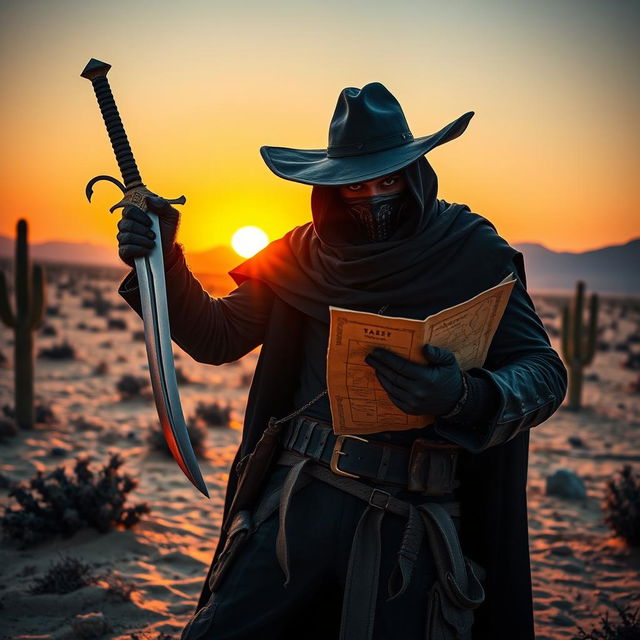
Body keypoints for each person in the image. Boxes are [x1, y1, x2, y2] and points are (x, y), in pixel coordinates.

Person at [116, 82, 568, 639]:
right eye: (356, 185)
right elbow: (216, 337)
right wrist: (164, 258)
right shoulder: (299, 255)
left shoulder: (470, 249)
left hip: (411, 521)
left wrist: (463, 396)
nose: (373, 196)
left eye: (388, 179)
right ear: (330, 188)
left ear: (415, 174)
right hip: (294, 504)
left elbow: (543, 373)